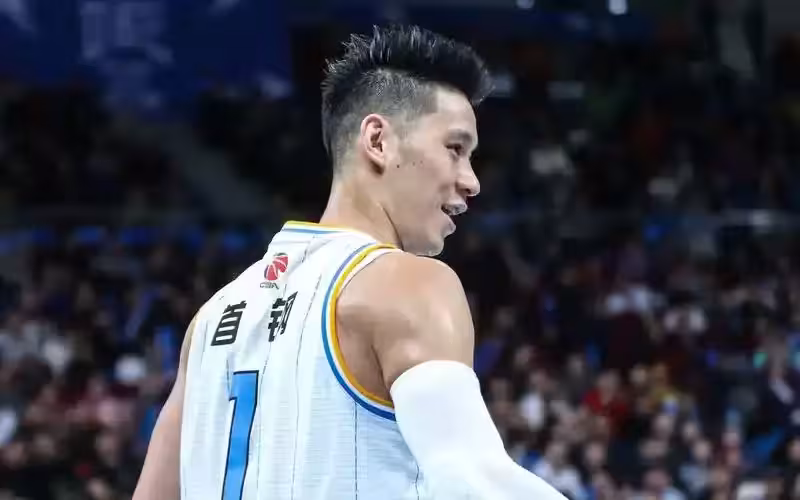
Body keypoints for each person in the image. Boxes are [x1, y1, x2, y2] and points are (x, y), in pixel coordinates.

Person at [133, 24, 567, 500]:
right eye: (455, 149)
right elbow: (470, 481)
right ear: (378, 141)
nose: (471, 181)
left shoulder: (209, 321)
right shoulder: (409, 284)